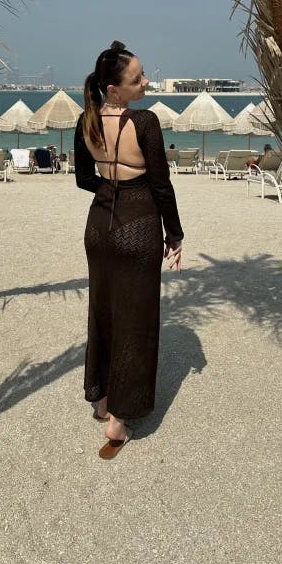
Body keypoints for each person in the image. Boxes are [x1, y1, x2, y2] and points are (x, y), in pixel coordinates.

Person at [74, 41, 184, 460]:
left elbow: (84, 178)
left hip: (99, 226)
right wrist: (175, 234)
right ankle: (120, 419)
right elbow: (161, 185)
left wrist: (110, 187)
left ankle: (101, 399)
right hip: (138, 227)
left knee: (102, 311)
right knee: (136, 321)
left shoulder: (87, 121)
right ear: (113, 88)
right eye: (137, 78)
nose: (146, 81)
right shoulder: (146, 122)